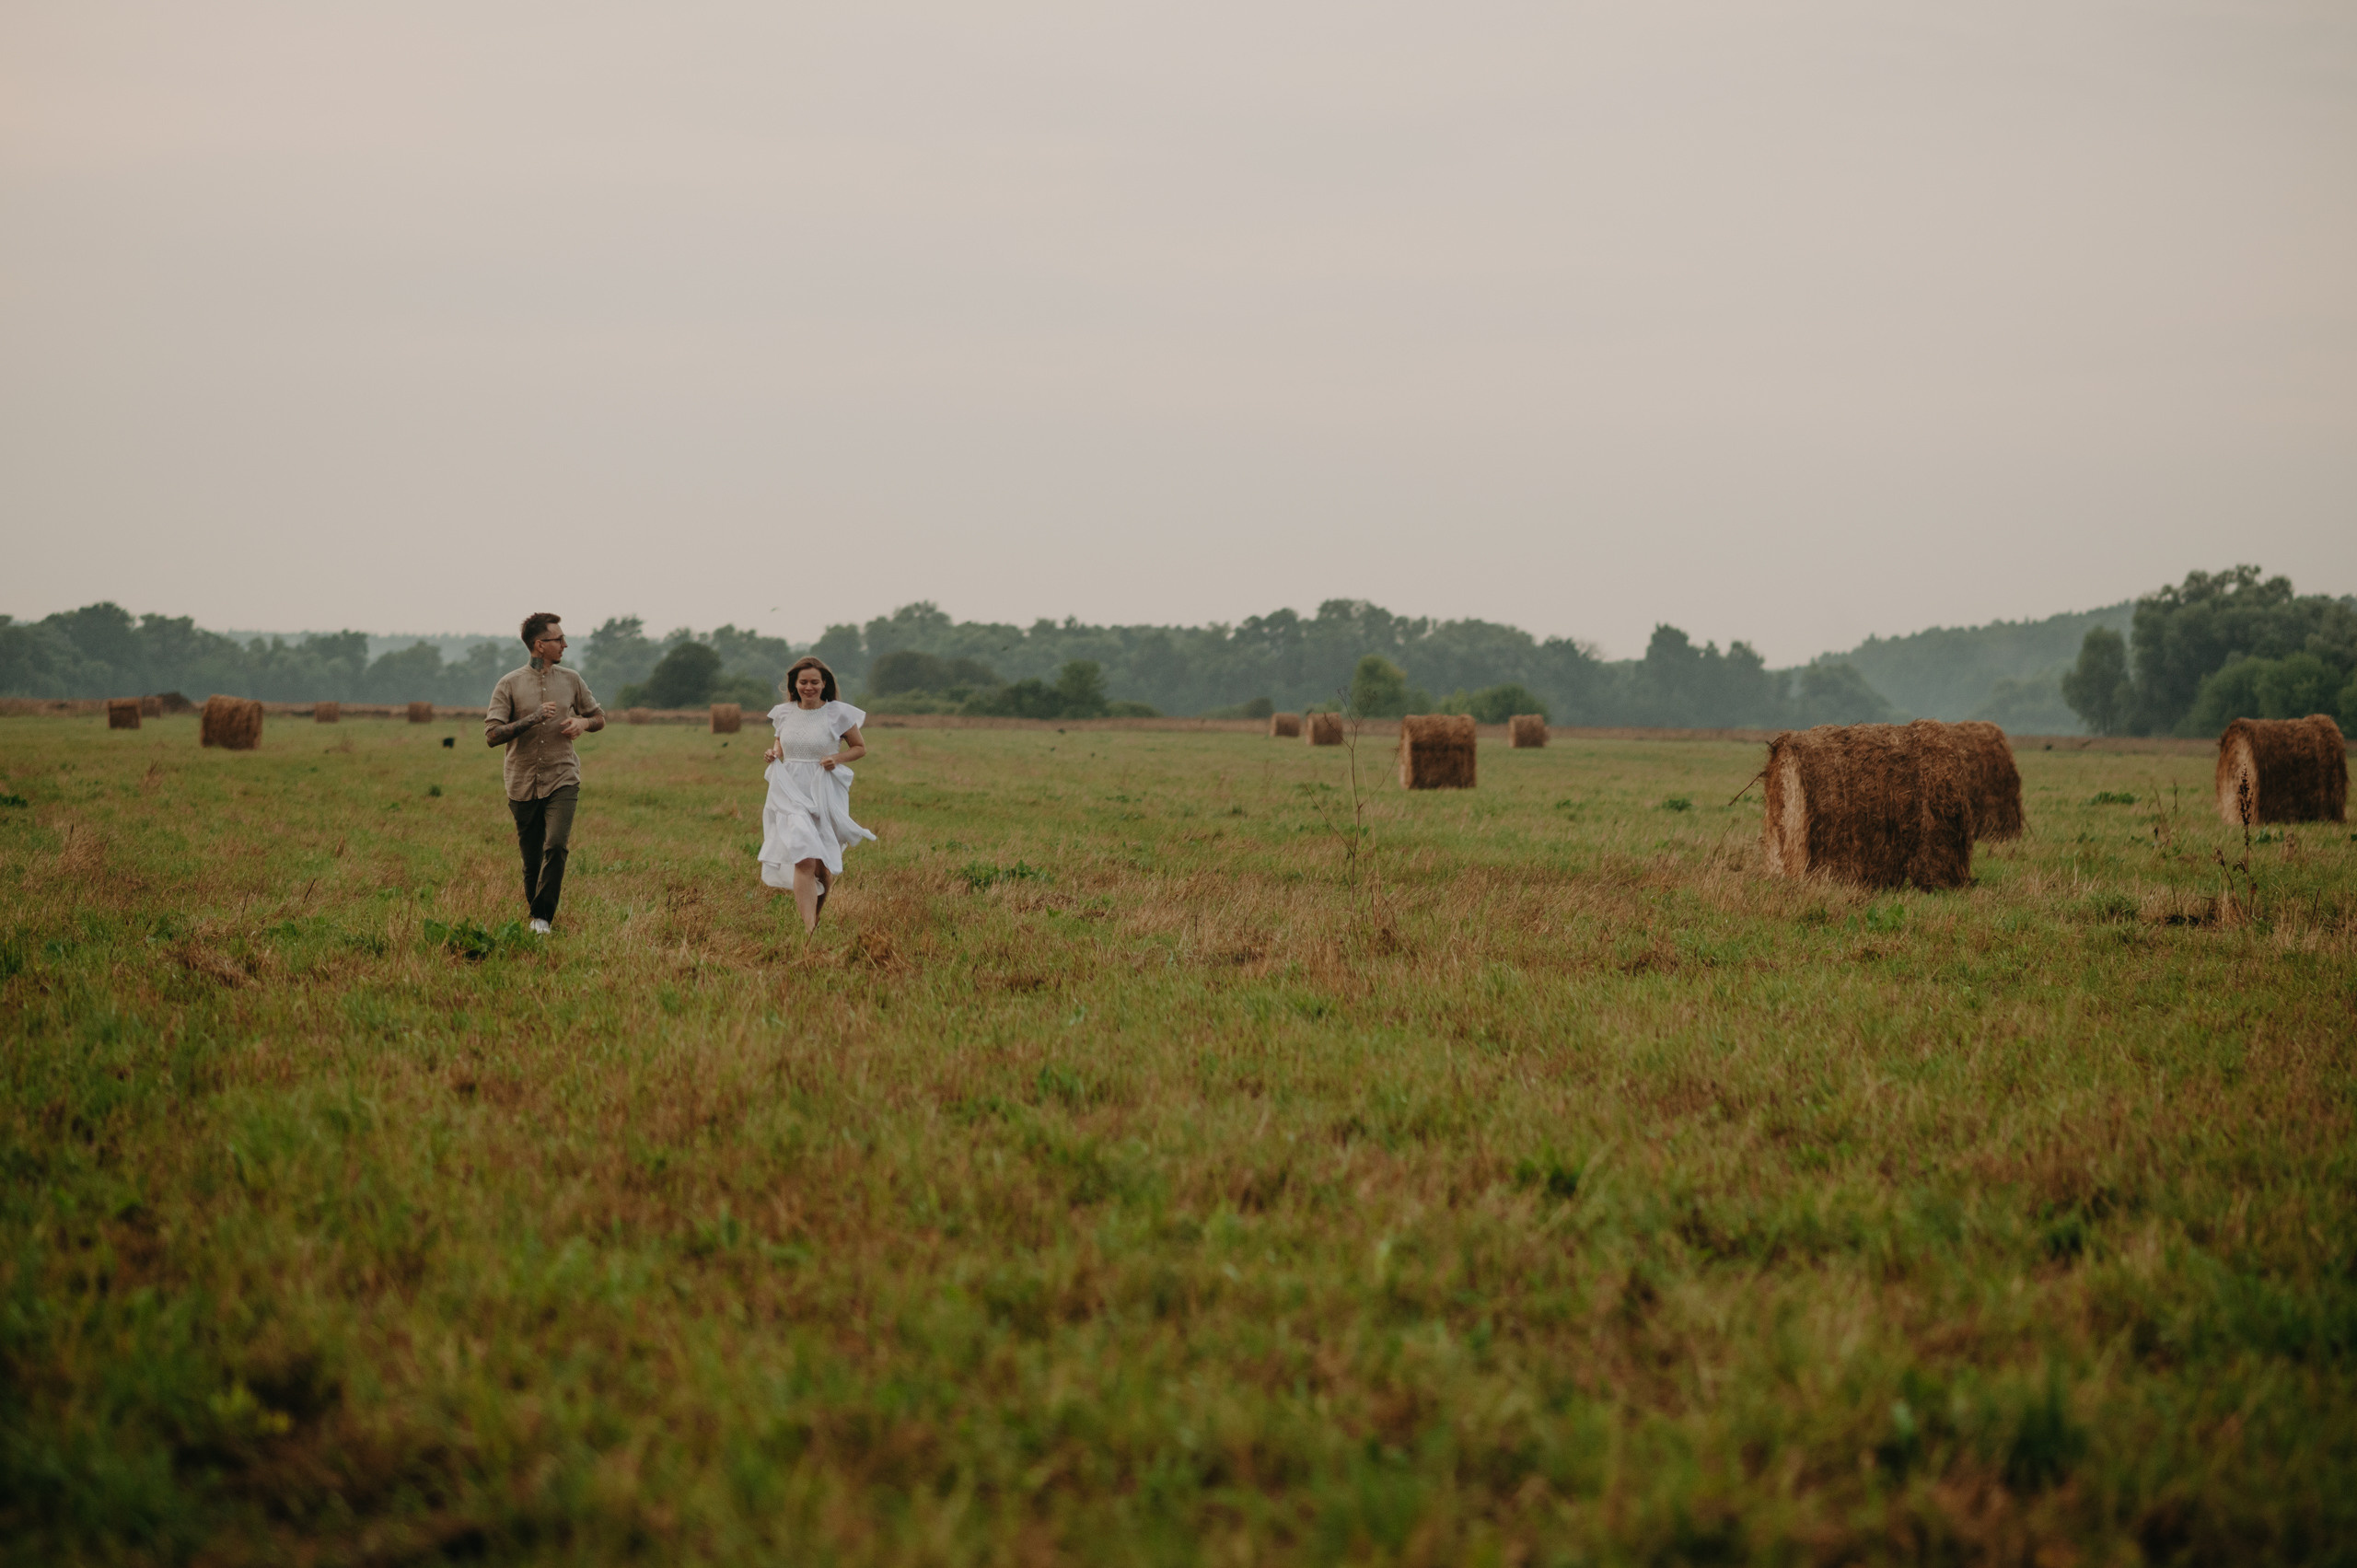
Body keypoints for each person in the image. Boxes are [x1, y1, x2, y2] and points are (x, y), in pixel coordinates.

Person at [483, 612, 604, 934]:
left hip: (563, 777)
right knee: (532, 861)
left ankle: (542, 919)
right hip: (521, 782)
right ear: (539, 645)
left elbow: (599, 717)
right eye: (558, 639)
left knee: (556, 845)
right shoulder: (509, 684)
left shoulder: (572, 680)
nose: (565, 644)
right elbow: (492, 736)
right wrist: (532, 718)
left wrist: (583, 722)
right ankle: (536, 917)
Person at [759, 656, 875, 931]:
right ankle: (808, 929)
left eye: (814, 682)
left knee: (822, 868)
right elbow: (780, 743)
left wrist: (837, 757)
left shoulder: (839, 713)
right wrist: (773, 753)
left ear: (824, 684)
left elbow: (859, 748)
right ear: (794, 684)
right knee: (804, 856)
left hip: (824, 791)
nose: (808, 687)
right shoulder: (784, 713)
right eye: (803, 682)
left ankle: (816, 916)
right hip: (790, 790)